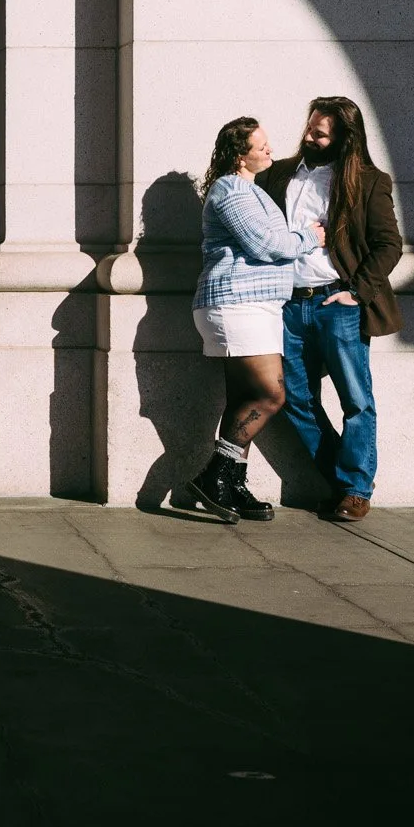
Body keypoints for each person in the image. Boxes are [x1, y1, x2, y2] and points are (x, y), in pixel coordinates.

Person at [255, 96, 404, 522]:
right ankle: (346, 481)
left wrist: (357, 292)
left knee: (356, 399)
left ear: (343, 139)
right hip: (287, 304)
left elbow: (389, 245)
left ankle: (355, 490)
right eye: (309, 127)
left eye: (320, 133)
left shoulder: (370, 181)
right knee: (294, 398)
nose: (308, 136)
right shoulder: (280, 174)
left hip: (337, 302)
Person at [179, 116, 326, 524]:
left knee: (243, 400)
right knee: (272, 395)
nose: (269, 151)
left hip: (254, 306)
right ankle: (215, 476)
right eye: (261, 146)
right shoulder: (230, 190)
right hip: (237, 304)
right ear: (239, 155)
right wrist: (312, 237)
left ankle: (232, 485)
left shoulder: (249, 190)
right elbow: (267, 244)